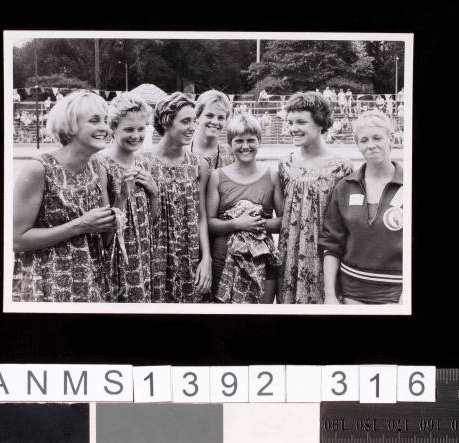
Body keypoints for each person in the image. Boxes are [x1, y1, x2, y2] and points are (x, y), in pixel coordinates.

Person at [12, 90, 116, 302]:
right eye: (95, 121)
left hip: (91, 283)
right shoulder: (38, 169)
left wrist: (121, 200)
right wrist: (80, 225)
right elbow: (17, 240)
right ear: (70, 125)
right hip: (46, 285)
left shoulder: (99, 168)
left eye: (106, 121)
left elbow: (106, 238)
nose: (105, 128)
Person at [320, 110, 403, 304]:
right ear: (357, 145)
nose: (371, 145)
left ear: (390, 139)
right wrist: (330, 295)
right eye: (364, 140)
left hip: (397, 291)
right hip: (352, 291)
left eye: (377, 138)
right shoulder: (344, 187)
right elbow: (332, 244)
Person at [277, 92, 353, 304]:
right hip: (290, 260)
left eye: (301, 122)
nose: (293, 128)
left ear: (320, 122)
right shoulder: (285, 164)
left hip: (324, 260)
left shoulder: (341, 168)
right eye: (290, 122)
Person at [143, 92, 212, 302]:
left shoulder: (199, 164)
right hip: (153, 254)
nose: (193, 127)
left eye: (194, 121)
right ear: (166, 122)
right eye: (185, 121)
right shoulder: (142, 163)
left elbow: (201, 216)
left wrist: (206, 258)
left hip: (188, 254)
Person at [207, 114, 283, 303]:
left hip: (262, 257)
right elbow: (209, 223)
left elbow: (284, 221)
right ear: (230, 143)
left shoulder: (272, 176)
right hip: (224, 257)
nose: (245, 146)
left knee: (261, 316)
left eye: (251, 140)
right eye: (239, 141)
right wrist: (238, 223)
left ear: (260, 141)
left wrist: (258, 224)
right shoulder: (217, 176)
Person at [98, 92, 159, 302]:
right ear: (113, 128)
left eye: (141, 129)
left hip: (142, 253)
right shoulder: (102, 164)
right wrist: (122, 196)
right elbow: (105, 236)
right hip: (117, 255)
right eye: (128, 129)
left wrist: (154, 193)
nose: (136, 135)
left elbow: (150, 220)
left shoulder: (144, 163)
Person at [190, 90, 234, 171]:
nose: (215, 122)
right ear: (197, 117)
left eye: (221, 118)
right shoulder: (181, 152)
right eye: (209, 116)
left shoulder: (231, 155)